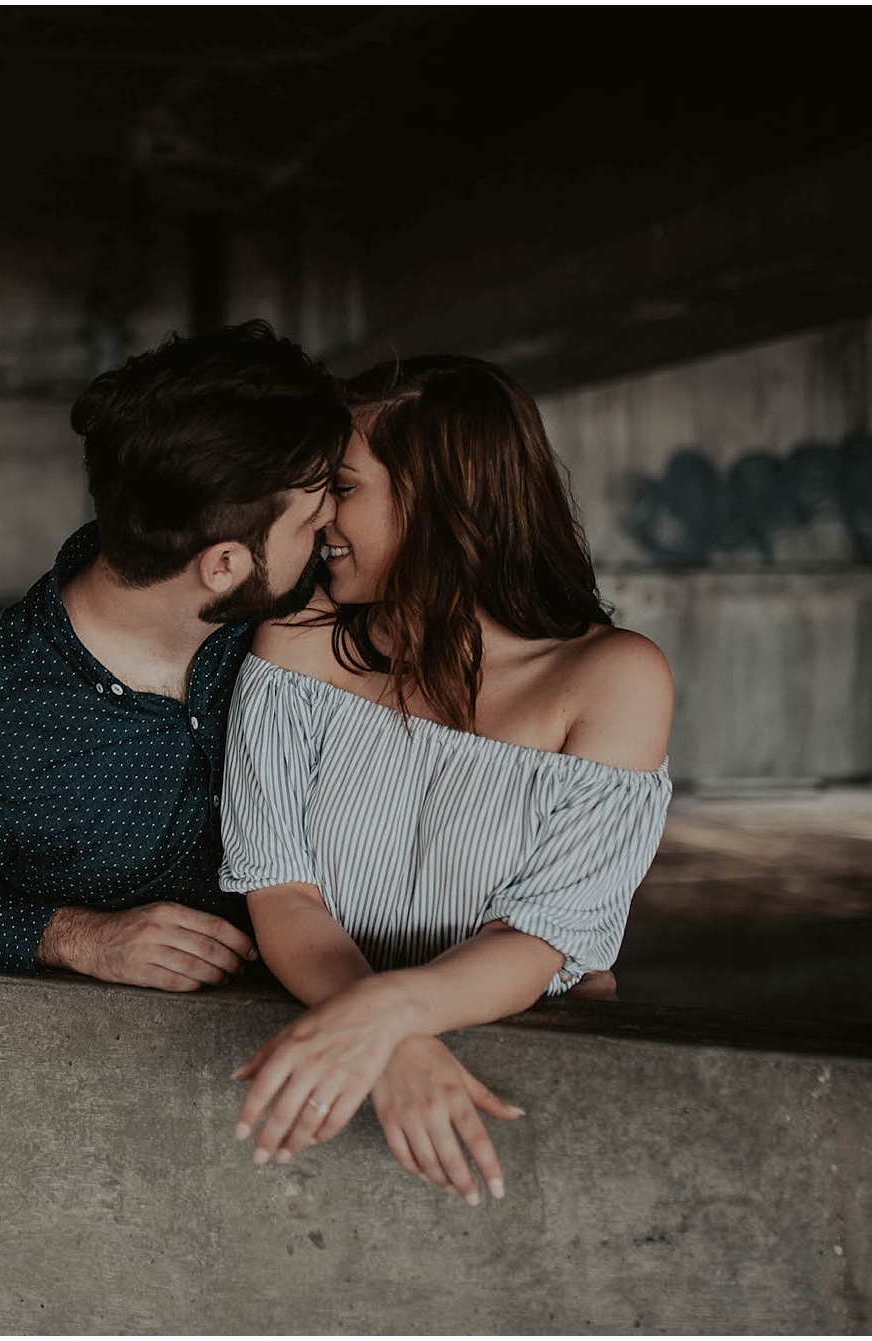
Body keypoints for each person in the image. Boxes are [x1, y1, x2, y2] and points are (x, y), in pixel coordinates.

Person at [219, 355, 673, 1204]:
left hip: (514, 1113)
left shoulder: (613, 677)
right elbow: (281, 892)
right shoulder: (301, 638)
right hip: (325, 1083)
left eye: (342, 486)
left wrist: (383, 1017)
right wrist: (395, 1037)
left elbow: (538, 937)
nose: (318, 515)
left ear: (436, 500)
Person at [0, 321, 351, 990]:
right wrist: (81, 936)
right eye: (314, 520)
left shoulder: (289, 608)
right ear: (223, 564)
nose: (331, 530)